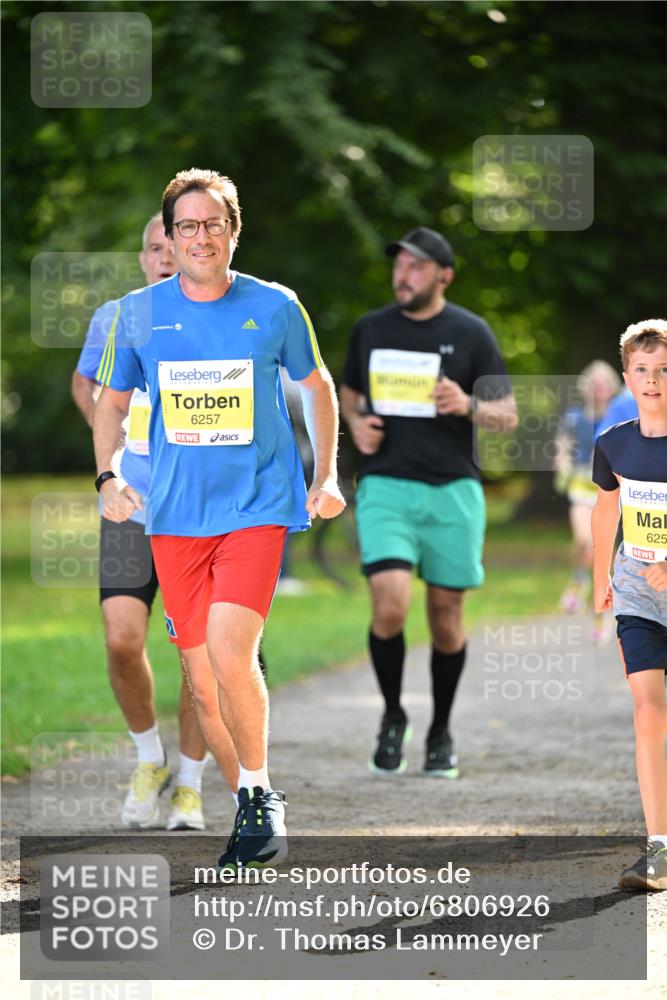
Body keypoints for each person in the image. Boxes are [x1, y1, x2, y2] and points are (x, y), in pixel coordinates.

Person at [93, 168, 345, 868]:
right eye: (187, 227)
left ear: (234, 231)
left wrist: (325, 474)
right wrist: (109, 475)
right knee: (202, 680)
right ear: (170, 238)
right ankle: (250, 804)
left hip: (257, 506)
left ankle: (260, 796)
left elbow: (318, 386)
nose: (199, 237)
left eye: (212, 224)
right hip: (174, 517)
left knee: (232, 652)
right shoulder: (138, 313)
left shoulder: (275, 306)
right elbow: (111, 403)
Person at [340, 226, 517, 778]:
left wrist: (468, 404)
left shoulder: (471, 332)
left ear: (444, 276)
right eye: (399, 265)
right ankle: (393, 715)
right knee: (390, 604)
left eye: (416, 267)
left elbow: (506, 415)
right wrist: (356, 424)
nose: (403, 275)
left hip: (453, 489)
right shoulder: (371, 328)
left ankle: (440, 730)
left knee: (446, 617)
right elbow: (349, 393)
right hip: (386, 485)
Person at [72, 213, 214, 832]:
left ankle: (190, 783)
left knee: (196, 653)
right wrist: (112, 454)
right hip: (132, 503)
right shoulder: (117, 316)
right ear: (142, 257)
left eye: (173, 245)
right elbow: (86, 385)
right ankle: (150, 758)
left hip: (201, 510)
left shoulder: (216, 314)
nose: (164, 257)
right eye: (154, 248)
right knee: (122, 639)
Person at [592, 318, 667, 891]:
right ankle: (659, 849)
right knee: (648, 712)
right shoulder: (613, 443)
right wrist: (602, 575)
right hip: (638, 592)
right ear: (627, 377)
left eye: (664, 370)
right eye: (642, 370)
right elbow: (606, 508)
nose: (653, 380)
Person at [553, 361, 620, 637]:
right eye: (595, 384)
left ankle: (600, 615)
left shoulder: (621, 416)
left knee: (602, 552)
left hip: (610, 490)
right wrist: (563, 465)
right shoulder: (573, 417)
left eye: (604, 384)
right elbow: (561, 448)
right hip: (581, 486)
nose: (600, 389)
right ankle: (578, 581)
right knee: (584, 541)